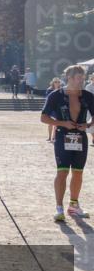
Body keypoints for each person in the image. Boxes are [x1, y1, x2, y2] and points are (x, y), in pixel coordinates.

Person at [41, 64, 93, 222]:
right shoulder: (55, 95)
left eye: (83, 79)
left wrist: (88, 124)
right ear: (69, 78)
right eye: (78, 79)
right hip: (63, 137)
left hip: (80, 138)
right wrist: (63, 124)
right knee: (62, 172)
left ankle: (74, 206)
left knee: (78, 172)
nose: (81, 82)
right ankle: (59, 208)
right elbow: (44, 118)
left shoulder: (87, 96)